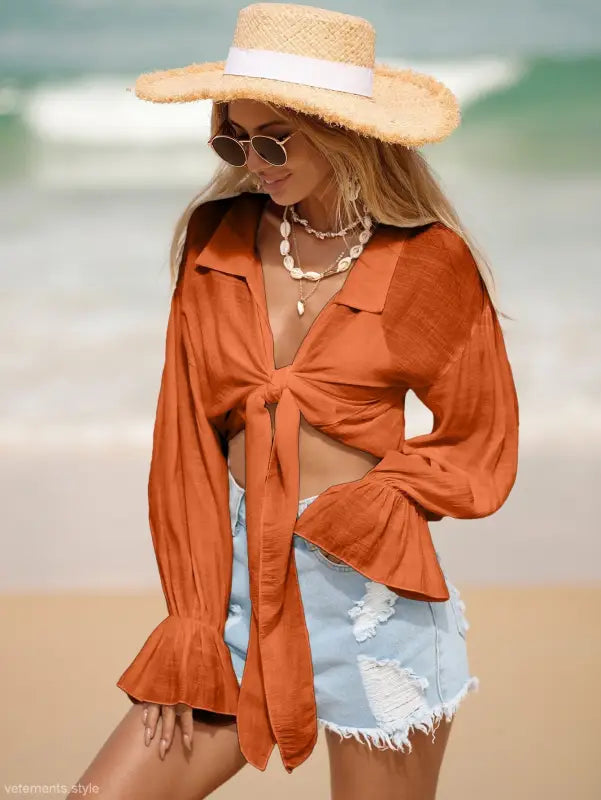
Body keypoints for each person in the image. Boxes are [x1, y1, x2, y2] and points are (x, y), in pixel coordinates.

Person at [69, 4, 519, 799]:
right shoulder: (216, 240)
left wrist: (378, 499)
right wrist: (191, 620)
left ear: (340, 130)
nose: (251, 161)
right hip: (235, 594)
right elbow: (185, 441)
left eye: (271, 139)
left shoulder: (426, 261)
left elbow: (479, 438)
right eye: (230, 139)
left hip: (370, 601)